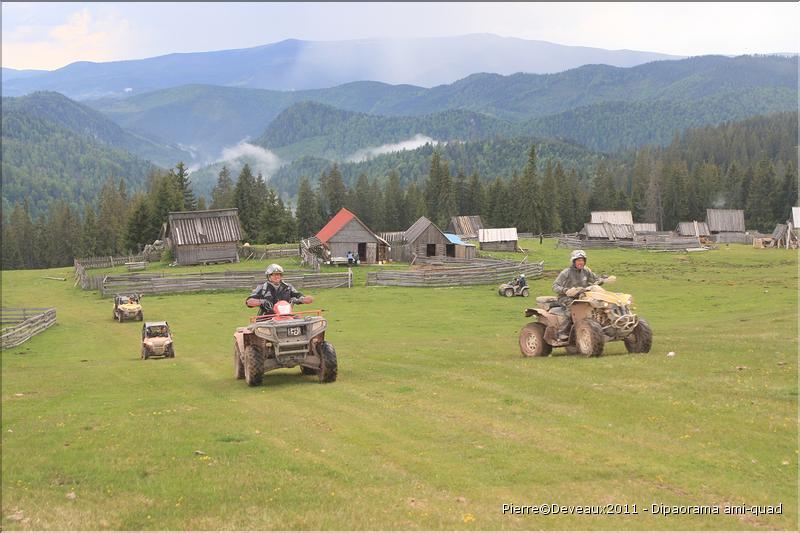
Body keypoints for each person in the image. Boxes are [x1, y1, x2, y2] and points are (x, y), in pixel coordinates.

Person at [552, 249, 604, 340]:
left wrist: (601, 280)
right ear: (573, 261)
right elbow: (555, 286)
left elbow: (595, 278)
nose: (581, 262)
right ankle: (562, 333)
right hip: (566, 297)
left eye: (582, 260)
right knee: (572, 309)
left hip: (582, 296)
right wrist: (565, 290)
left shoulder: (586, 271)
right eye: (578, 260)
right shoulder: (566, 272)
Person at [246, 263, 313, 317]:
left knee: (302, 324)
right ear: (268, 276)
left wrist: (302, 299)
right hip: (267, 317)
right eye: (274, 275)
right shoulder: (262, 288)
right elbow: (249, 301)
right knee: (258, 330)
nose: (277, 277)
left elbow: (299, 295)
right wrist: (261, 301)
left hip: (286, 316)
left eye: (279, 274)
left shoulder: (288, 287)